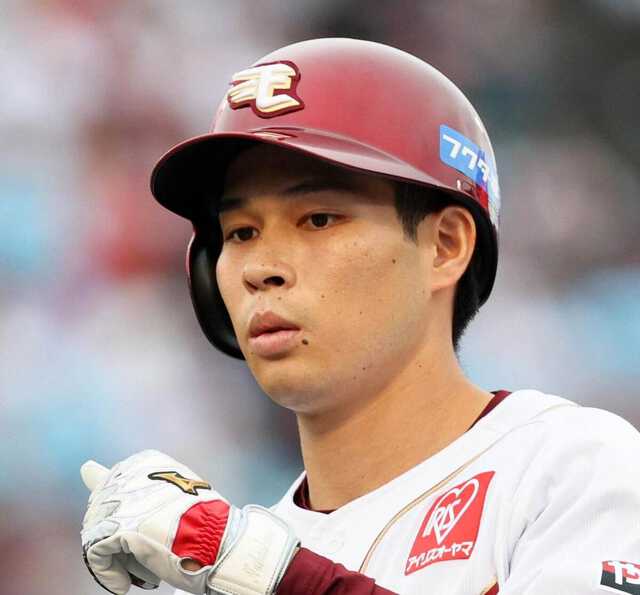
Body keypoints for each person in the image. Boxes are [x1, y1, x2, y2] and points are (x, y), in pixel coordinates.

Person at [80, 38, 640, 595]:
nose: (261, 269)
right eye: (241, 233)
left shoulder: (572, 465)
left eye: (318, 219)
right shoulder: (235, 565)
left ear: (446, 245)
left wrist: (259, 569)